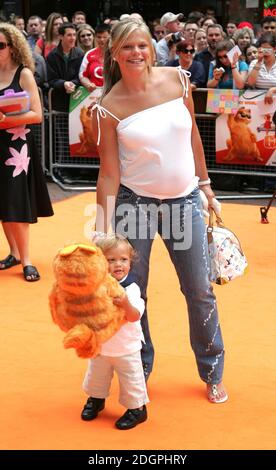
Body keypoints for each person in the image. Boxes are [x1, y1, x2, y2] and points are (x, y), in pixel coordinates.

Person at [91, 18, 228, 404]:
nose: (136, 53)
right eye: (127, 47)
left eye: (142, 45)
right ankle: (139, 369)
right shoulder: (108, 106)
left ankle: (213, 371)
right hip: (136, 205)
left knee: (200, 289)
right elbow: (108, 172)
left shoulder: (178, 80)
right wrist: (102, 229)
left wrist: (206, 186)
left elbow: (193, 137)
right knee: (134, 291)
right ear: (115, 54)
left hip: (185, 201)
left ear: (151, 48)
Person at [0, 23, 53, 280]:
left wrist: (4, 120)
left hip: (17, 145)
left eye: (0, 45)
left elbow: (37, 115)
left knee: (15, 199)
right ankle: (14, 253)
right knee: (3, 200)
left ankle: (27, 260)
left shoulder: (24, 75)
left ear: (12, 47)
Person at [81, 235, 149, 430]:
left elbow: (135, 316)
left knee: (131, 379)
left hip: (126, 347)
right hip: (102, 345)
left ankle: (137, 409)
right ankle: (96, 399)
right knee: (96, 375)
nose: (118, 264)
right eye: (111, 260)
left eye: (123, 259)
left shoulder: (132, 288)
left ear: (130, 261)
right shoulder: (97, 285)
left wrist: (126, 304)